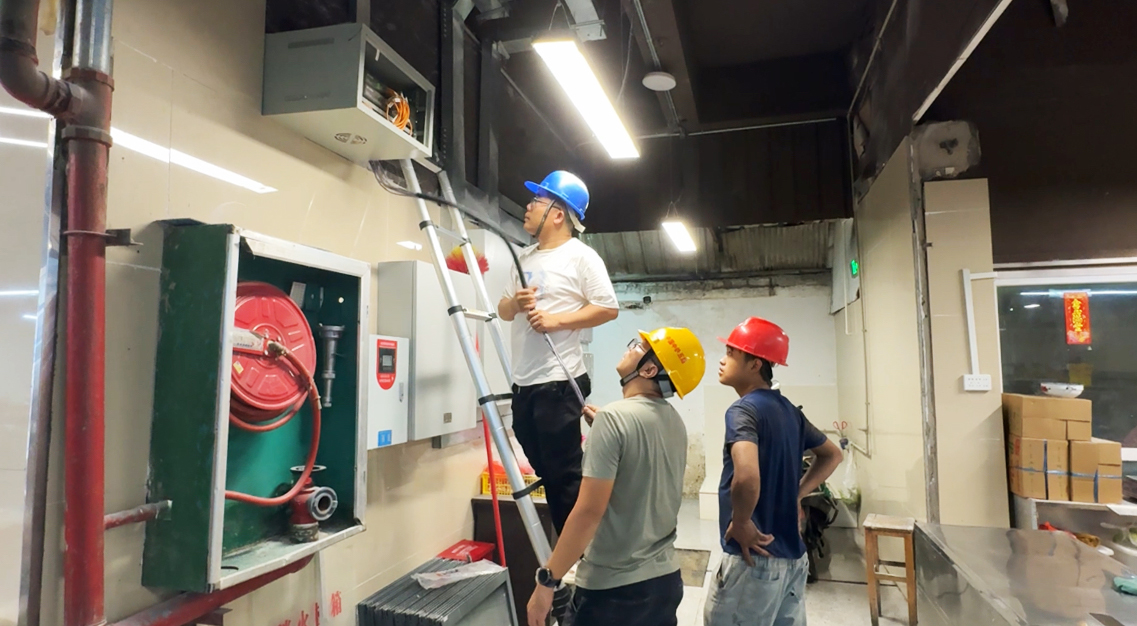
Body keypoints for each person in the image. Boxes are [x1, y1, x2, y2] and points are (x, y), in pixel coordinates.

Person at [526, 327, 707, 626]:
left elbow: (588, 512)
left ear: (649, 369)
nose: (630, 347)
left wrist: (547, 581)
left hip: (614, 593)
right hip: (664, 582)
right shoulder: (674, 420)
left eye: (639, 346)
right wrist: (606, 429)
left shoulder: (614, 419)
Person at [497, 170, 619, 533]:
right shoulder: (523, 258)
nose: (528, 206)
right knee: (543, 462)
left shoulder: (581, 257)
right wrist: (516, 303)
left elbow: (608, 308)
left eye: (536, 200)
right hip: (525, 381)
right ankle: (574, 541)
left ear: (558, 214)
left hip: (559, 381)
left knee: (564, 475)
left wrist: (556, 321)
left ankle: (580, 553)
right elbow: (503, 310)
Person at [704, 316, 844, 626]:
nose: (722, 360)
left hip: (754, 560)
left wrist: (742, 522)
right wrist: (797, 494)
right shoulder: (790, 411)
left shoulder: (743, 410)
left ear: (755, 364)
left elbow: (747, 475)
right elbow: (832, 455)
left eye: (731, 353)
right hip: (793, 561)